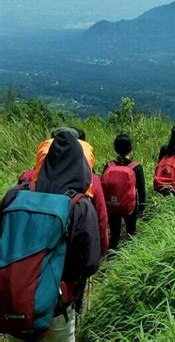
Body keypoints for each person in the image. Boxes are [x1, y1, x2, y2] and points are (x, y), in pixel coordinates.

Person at [0, 131, 100, 342]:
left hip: (13, 298)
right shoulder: (79, 205)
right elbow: (90, 264)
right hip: (56, 305)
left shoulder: (15, 194)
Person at [19, 127, 109, 256]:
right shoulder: (91, 182)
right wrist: (102, 249)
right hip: (68, 260)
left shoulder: (26, 180)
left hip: (27, 254)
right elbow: (101, 218)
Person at [101, 133, 146, 250]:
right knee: (131, 232)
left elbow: (103, 185)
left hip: (112, 205)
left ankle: (111, 259)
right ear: (130, 147)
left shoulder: (109, 165)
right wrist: (142, 207)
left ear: (115, 148)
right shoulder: (135, 166)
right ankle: (130, 258)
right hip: (130, 206)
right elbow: (141, 189)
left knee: (114, 235)